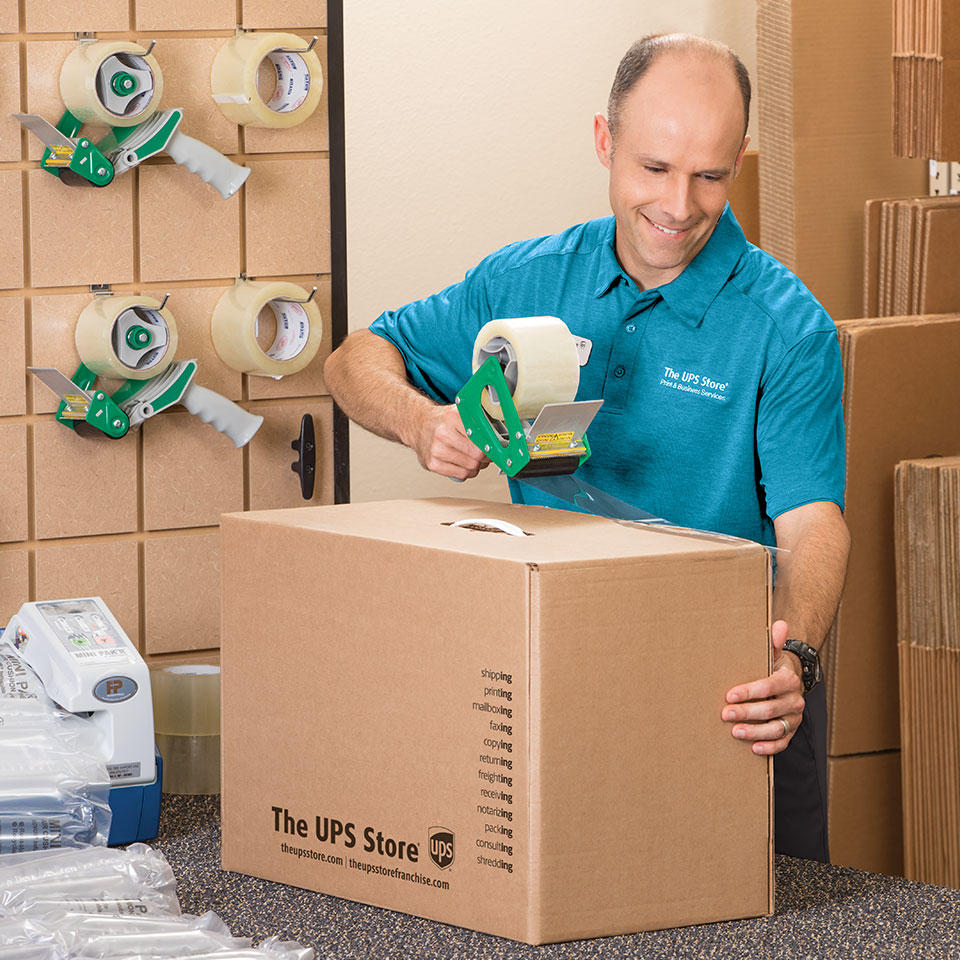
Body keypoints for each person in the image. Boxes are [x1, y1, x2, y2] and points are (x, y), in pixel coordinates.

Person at [324, 33, 851, 862]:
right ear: (604, 141)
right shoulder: (526, 281)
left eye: (710, 175)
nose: (679, 205)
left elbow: (813, 523)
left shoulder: (788, 330)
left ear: (739, 165)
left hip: (733, 690)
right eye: (654, 168)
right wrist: (422, 423)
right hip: (561, 667)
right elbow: (357, 358)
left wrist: (799, 661)